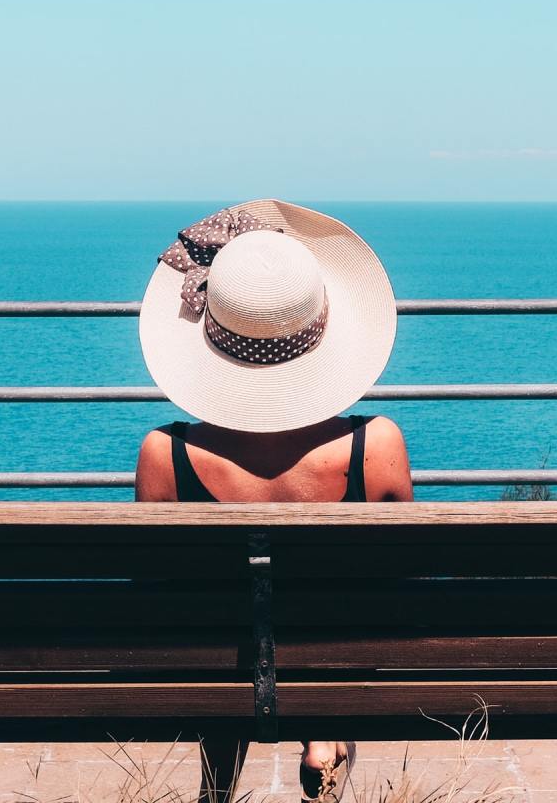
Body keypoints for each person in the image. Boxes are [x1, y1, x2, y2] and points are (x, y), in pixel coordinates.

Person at [133, 200, 413, 803]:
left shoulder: (163, 455)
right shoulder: (377, 446)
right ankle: (326, 730)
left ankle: (217, 785)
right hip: (339, 659)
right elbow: (398, 574)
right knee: (339, 611)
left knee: (220, 617)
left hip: (217, 667)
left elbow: (157, 589)